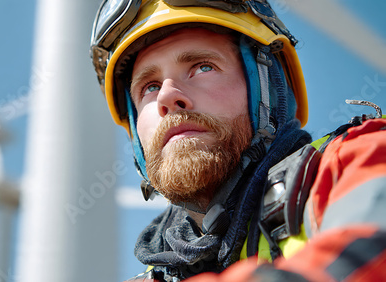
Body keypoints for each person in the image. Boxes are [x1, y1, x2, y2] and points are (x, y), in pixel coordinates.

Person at [90, 0, 386, 281]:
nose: (167, 96)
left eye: (202, 67)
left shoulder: (359, 159)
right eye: (149, 87)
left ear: (269, 90)